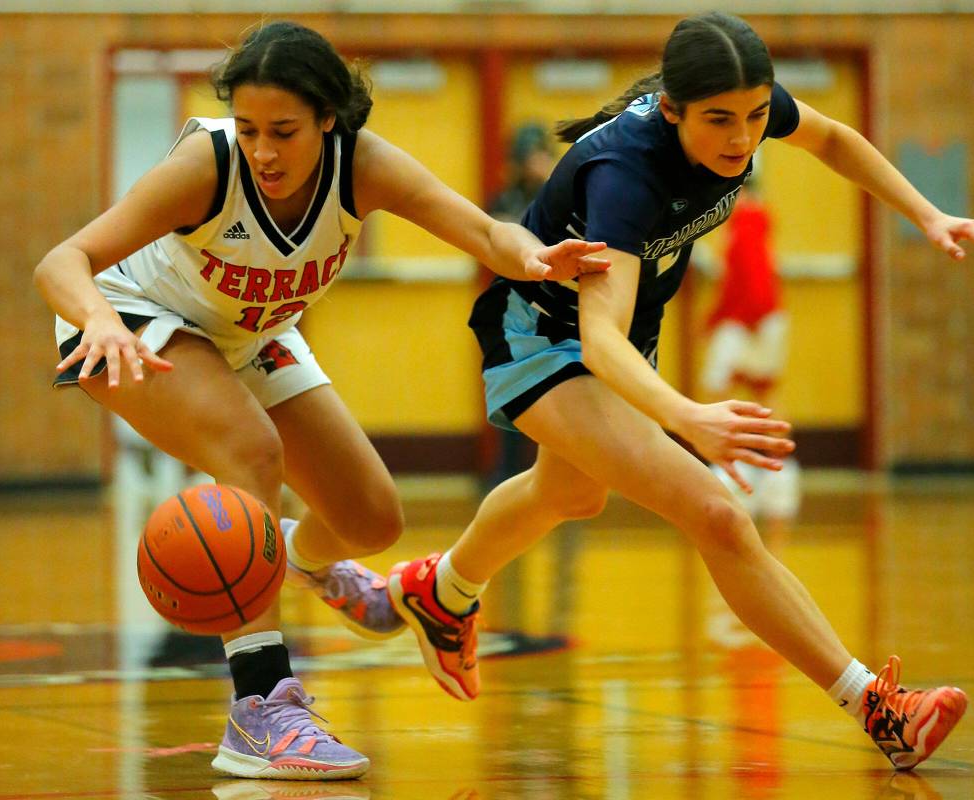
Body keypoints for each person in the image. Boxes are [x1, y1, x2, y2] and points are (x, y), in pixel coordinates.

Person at [383, 11, 974, 771]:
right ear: (671, 109)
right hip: (541, 336)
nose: (742, 138)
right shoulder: (623, 177)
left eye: (757, 116)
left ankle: (442, 591)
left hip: (616, 338)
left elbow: (834, 140)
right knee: (717, 512)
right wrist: (684, 417)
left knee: (568, 493)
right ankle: (878, 707)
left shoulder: (744, 111)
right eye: (719, 121)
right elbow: (597, 341)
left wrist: (927, 212)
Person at [33, 20, 607, 781]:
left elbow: (477, 228)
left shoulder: (363, 166)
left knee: (370, 517)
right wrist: (98, 318)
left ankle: (295, 560)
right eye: (248, 129)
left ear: (329, 118)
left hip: (242, 332)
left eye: (283, 131)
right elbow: (61, 260)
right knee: (251, 451)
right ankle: (262, 708)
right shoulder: (206, 166)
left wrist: (533, 258)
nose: (262, 151)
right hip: (126, 317)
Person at [700, 177, 800, 520]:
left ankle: (729, 466)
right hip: (760, 317)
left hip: (750, 319)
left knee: (719, 390)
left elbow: (752, 275)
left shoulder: (748, 218)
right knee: (764, 392)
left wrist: (741, 318)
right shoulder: (756, 220)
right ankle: (777, 468)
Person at [486, 123, 558, 485]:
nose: (538, 162)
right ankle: (507, 471)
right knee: (511, 393)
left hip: (555, 309)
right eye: (532, 156)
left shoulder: (558, 196)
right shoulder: (504, 200)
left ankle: (557, 469)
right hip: (511, 310)